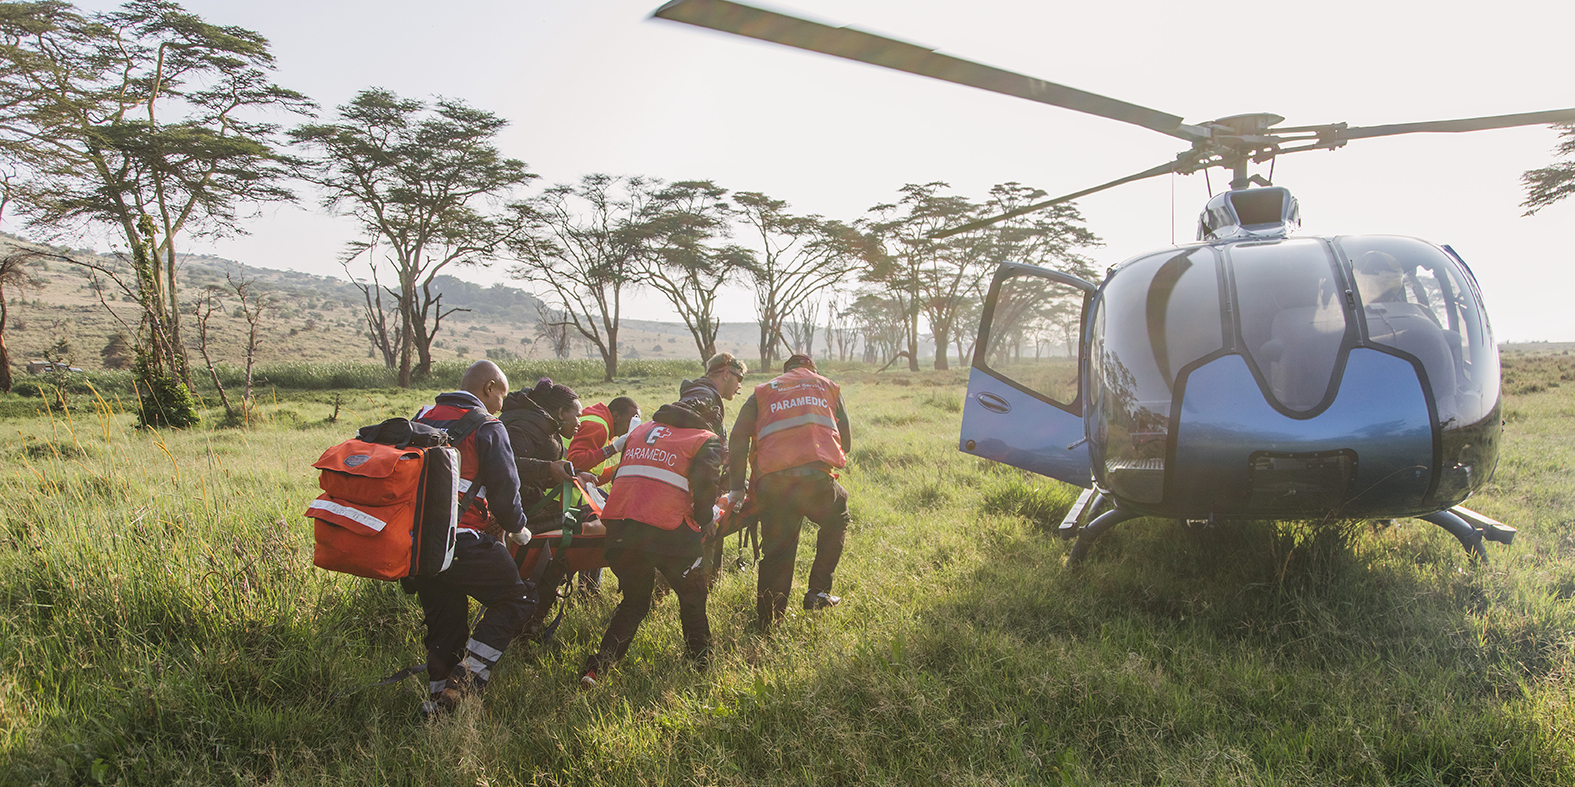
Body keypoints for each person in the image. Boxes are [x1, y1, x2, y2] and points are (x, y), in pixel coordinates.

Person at [406, 360, 534, 716]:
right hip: (461, 540)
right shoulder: (488, 426)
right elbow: (506, 495)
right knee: (517, 600)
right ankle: (463, 682)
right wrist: (518, 527)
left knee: (445, 622)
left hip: (417, 544)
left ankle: (437, 703)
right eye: (502, 396)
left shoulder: (423, 414)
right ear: (489, 387)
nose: (501, 406)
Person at [579, 395, 723, 688]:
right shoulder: (703, 438)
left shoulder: (640, 431)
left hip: (621, 529)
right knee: (692, 597)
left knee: (634, 602)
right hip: (669, 532)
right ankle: (702, 664)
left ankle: (595, 671)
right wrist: (707, 517)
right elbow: (706, 487)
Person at [728, 353, 852, 629]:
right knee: (838, 515)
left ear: (785, 372)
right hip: (816, 482)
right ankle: (818, 591)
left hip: (774, 485)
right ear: (812, 370)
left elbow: (737, 436)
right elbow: (847, 442)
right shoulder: (827, 386)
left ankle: (768, 625)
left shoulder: (763, 392)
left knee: (777, 553)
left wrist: (736, 488)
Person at [566, 396, 642, 485]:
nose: (631, 429)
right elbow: (574, 464)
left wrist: (615, 469)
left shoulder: (598, 419)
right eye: (630, 422)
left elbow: (588, 476)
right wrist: (612, 449)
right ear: (616, 416)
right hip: (560, 493)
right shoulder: (598, 427)